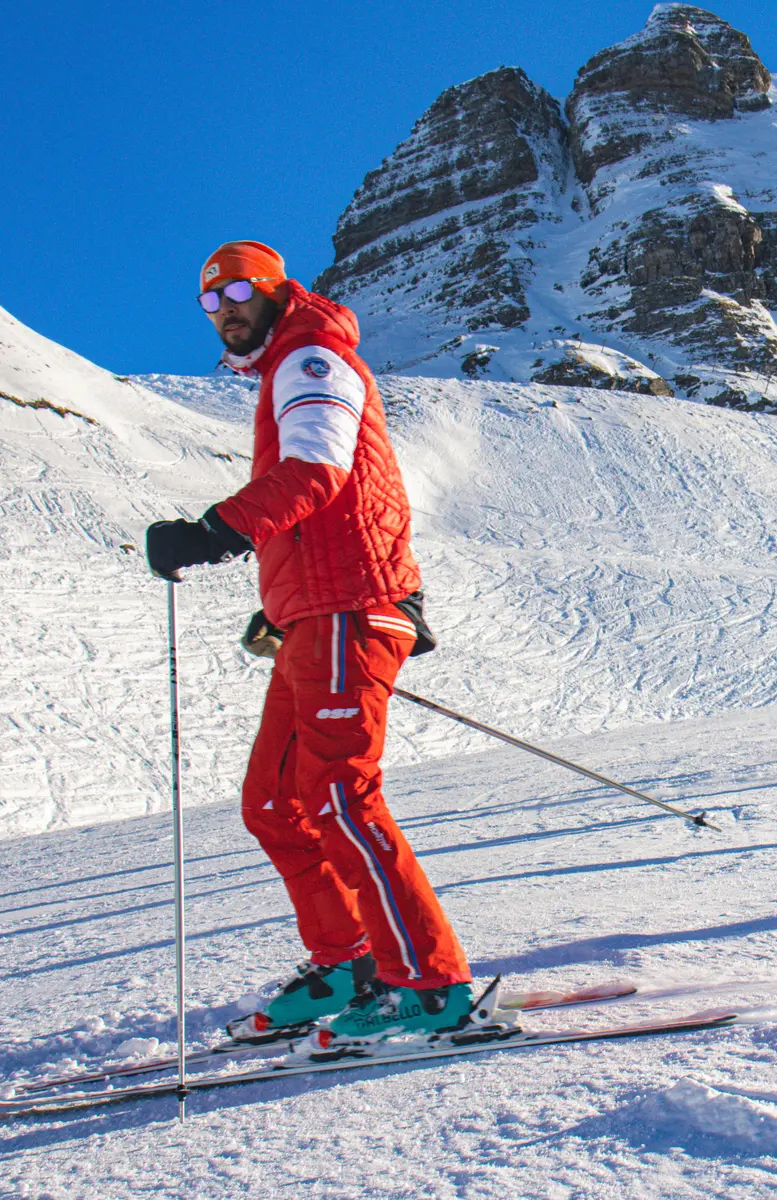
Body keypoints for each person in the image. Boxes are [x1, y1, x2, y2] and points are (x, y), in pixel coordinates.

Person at [145, 240, 474, 1045]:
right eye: (209, 300)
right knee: (274, 802)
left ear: (276, 289)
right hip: (314, 614)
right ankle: (348, 961)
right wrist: (281, 607)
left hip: (348, 610)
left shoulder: (312, 359)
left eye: (239, 291)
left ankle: (431, 985)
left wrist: (210, 533)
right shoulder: (285, 366)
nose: (225, 310)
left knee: (336, 796)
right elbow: (328, 507)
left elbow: (318, 475)